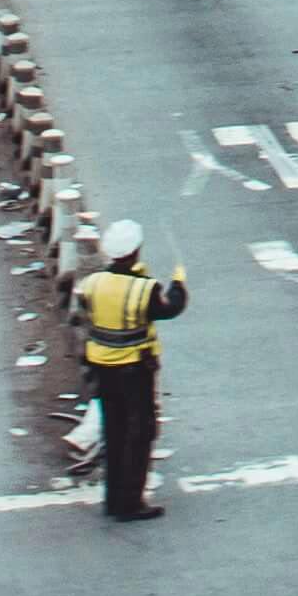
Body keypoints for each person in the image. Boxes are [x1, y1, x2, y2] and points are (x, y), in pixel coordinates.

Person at [72, 220, 185, 517]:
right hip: (135, 369)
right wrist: (179, 285)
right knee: (141, 432)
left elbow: (85, 311)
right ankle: (130, 502)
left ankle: (113, 499)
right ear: (135, 252)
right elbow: (169, 308)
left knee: (115, 429)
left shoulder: (93, 283)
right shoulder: (144, 288)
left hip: (102, 368)